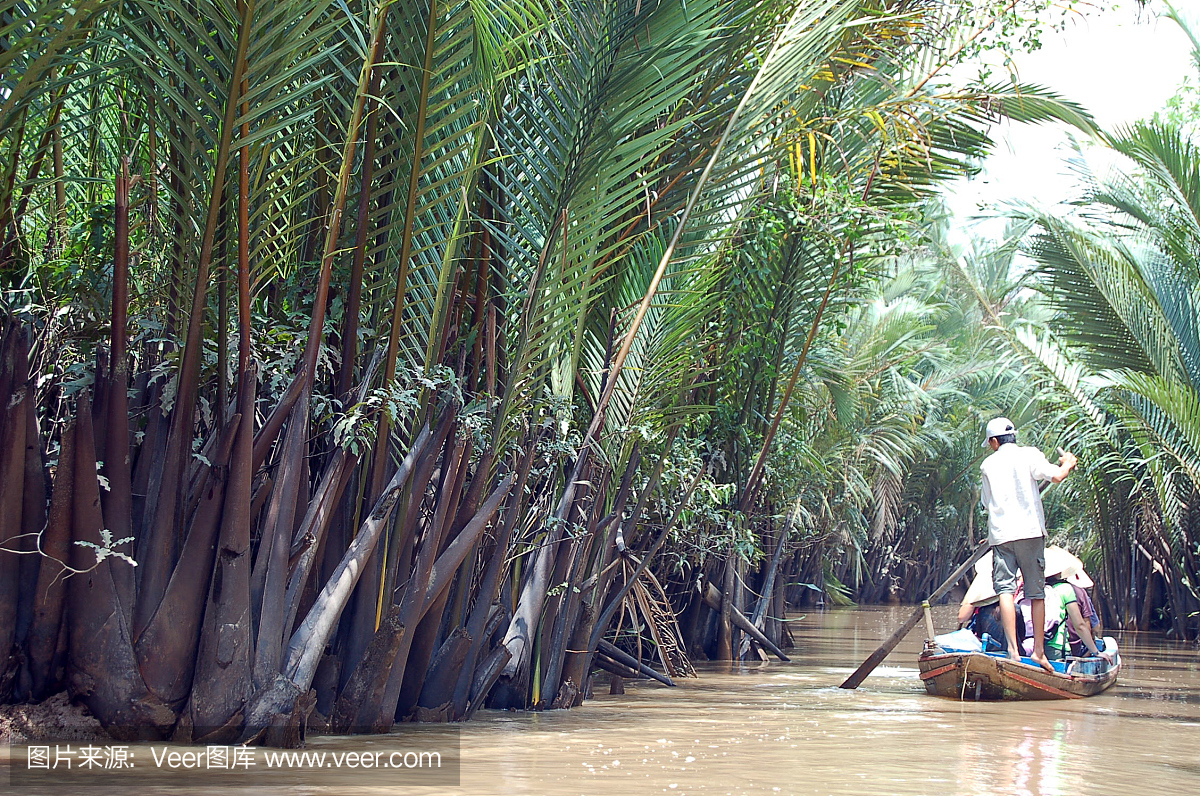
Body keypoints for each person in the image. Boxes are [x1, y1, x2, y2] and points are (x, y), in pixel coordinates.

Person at [979, 417, 1077, 672]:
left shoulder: (988, 464)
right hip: (1031, 533)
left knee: (1005, 591)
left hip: (1001, 536)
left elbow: (986, 504)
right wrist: (1067, 463)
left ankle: (1013, 651)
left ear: (993, 441)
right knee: (1036, 592)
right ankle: (1039, 653)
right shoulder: (1030, 455)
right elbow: (1056, 476)